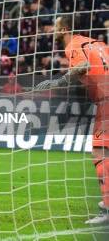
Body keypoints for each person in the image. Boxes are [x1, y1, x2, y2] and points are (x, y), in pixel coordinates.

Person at [35, 15, 109, 225]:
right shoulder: (97, 43)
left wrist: (57, 81)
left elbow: (83, 65)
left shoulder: (72, 46)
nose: (52, 30)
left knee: (101, 152)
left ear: (65, 29)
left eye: (55, 26)